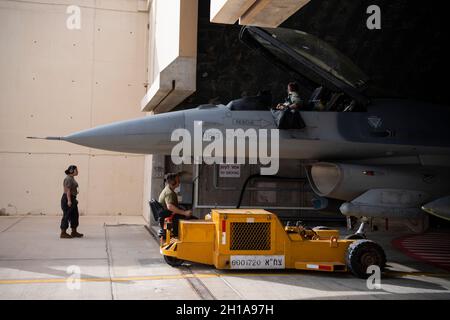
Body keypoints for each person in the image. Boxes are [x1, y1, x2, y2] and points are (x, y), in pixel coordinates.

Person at [158, 172, 196, 237]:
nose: (179, 182)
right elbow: (170, 206)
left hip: (172, 215)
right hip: (172, 217)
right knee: (195, 221)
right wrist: (184, 213)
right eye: (178, 180)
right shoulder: (169, 193)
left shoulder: (168, 189)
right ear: (173, 182)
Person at [60, 165, 83, 239]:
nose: (77, 171)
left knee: (75, 215)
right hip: (67, 198)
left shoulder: (72, 178)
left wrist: (74, 200)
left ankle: (74, 232)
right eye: (76, 170)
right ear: (71, 170)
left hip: (72, 198)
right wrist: (69, 201)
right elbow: (68, 191)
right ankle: (63, 233)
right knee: (66, 215)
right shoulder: (68, 179)